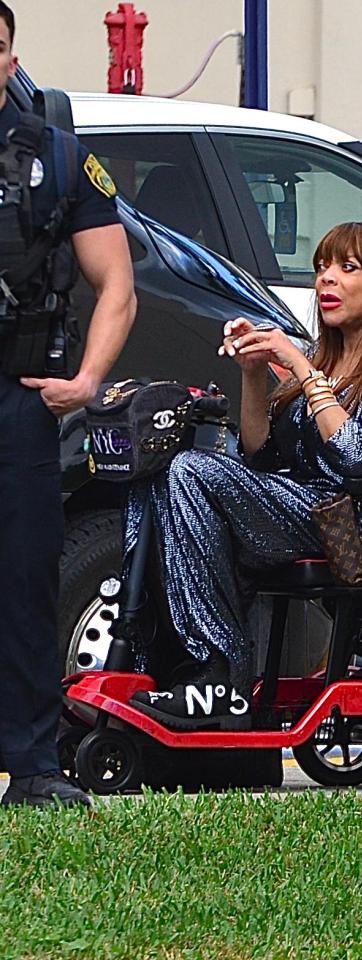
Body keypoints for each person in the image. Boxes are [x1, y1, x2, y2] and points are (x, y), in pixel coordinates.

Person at [128, 221, 362, 730]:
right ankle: (171, 661)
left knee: (192, 471)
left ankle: (219, 673)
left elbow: (356, 455)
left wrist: (301, 370)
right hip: (314, 510)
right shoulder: (330, 354)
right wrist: (254, 372)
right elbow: (261, 459)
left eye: (347, 268)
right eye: (322, 267)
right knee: (160, 473)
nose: (326, 279)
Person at [0, 2, 136, 807]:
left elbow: (115, 282)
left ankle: (36, 766)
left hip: (18, 403)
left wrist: (86, 382)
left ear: (11, 60)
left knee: (24, 579)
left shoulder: (58, 157)